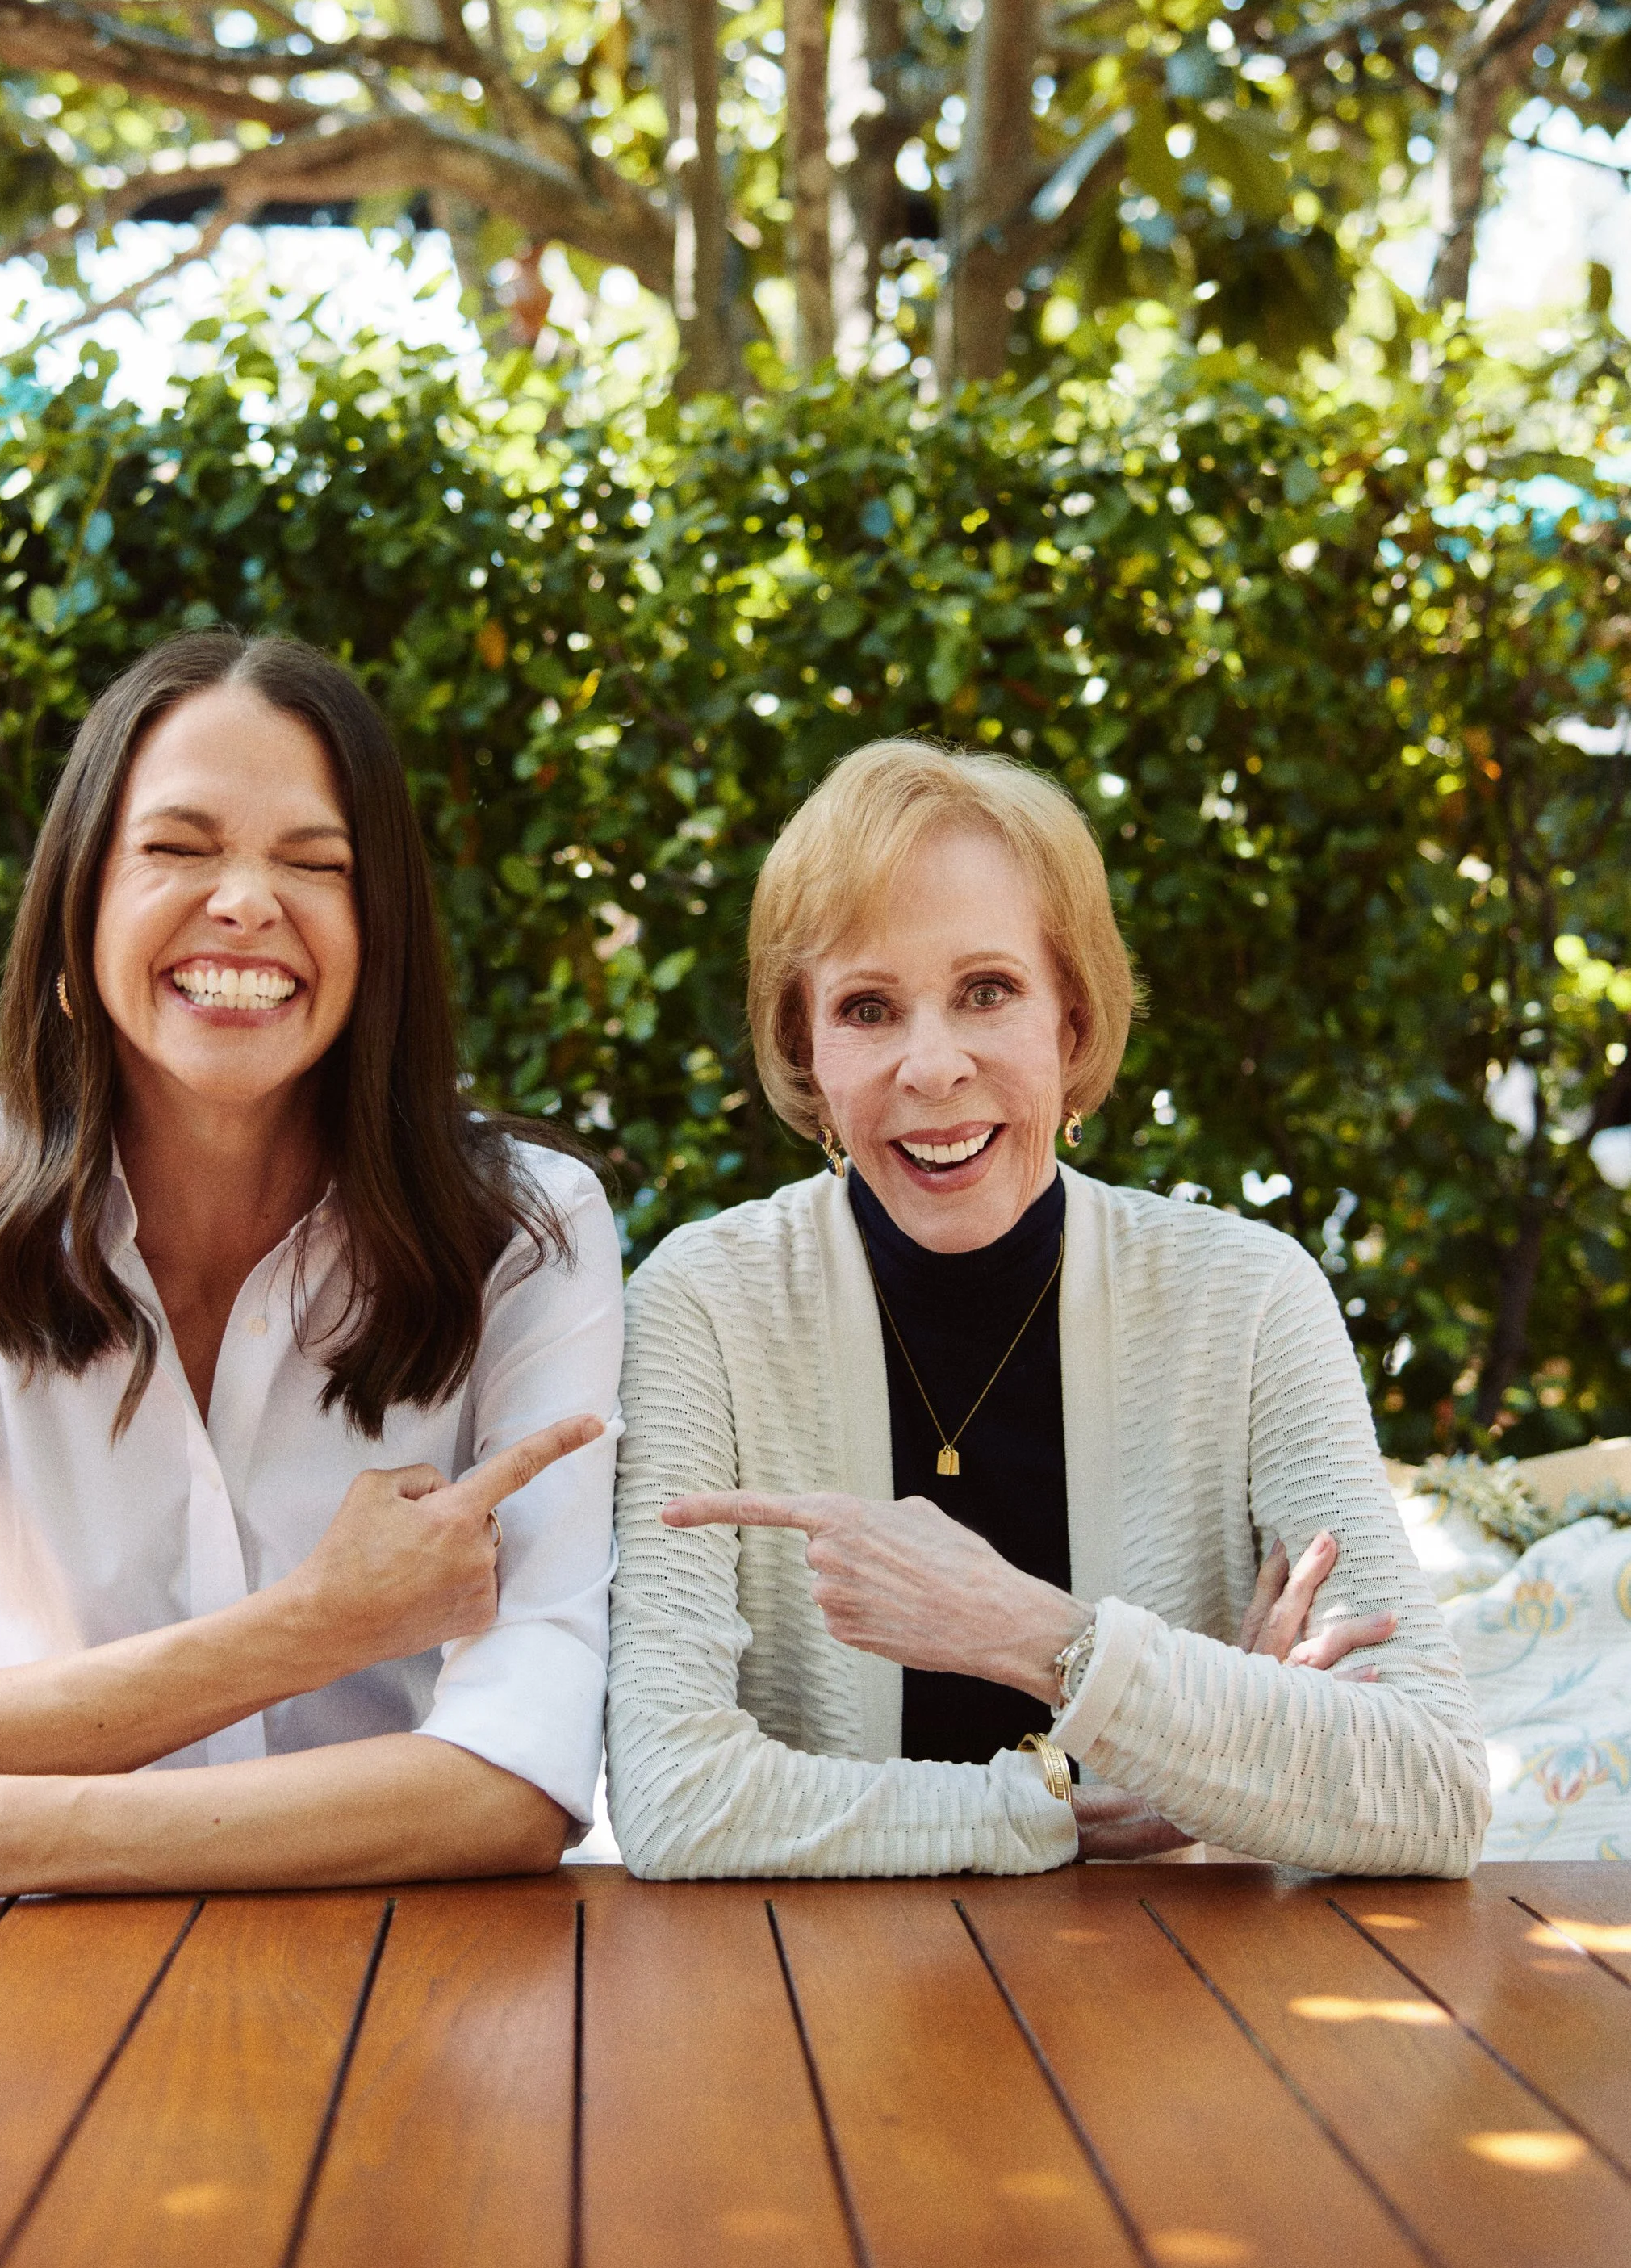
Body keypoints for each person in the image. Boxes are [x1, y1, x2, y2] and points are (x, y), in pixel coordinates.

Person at [0, 632, 621, 1896]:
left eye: (316, 863)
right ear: (80, 899)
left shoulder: (528, 1234)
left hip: (403, 1975)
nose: (248, 902)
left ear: (382, 938)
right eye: (179, 849)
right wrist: (310, 1632)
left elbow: (519, 1776)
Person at [605, 739, 1488, 1878]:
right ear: (805, 1054)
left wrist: (1031, 1634)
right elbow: (675, 1802)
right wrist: (1079, 1791)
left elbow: (1433, 1786)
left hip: (1176, 2002)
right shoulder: (705, 1306)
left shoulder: (1249, 1301)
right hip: (823, 2009)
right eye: (868, 1008)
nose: (932, 1067)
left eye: (987, 991)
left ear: (1073, 1024)